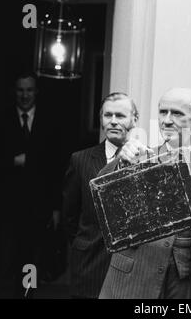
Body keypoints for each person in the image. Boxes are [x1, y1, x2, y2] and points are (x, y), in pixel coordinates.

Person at [99, 87, 191, 299]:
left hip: (189, 284)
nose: (167, 120)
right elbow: (105, 201)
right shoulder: (138, 158)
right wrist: (120, 163)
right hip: (138, 279)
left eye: (177, 113)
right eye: (163, 112)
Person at [62, 92, 147, 299]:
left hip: (134, 268)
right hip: (89, 265)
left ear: (134, 120)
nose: (114, 121)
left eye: (121, 115)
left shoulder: (148, 159)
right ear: (101, 119)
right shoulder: (80, 160)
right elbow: (69, 216)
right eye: (108, 115)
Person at [0, 72, 61, 298]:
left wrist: (55, 207)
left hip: (38, 206)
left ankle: (26, 295)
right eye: (20, 90)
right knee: (5, 258)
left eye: (29, 90)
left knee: (31, 259)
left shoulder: (50, 121)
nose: (24, 95)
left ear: (36, 92)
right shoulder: (0, 120)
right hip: (6, 205)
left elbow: (55, 168)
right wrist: (13, 161)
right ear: (15, 91)